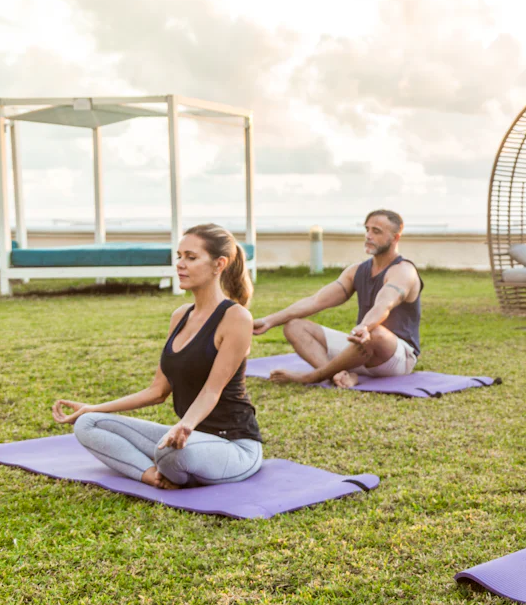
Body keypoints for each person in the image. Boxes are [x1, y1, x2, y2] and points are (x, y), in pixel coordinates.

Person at [51, 224, 262, 490]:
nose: (180, 265)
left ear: (219, 264)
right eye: (179, 256)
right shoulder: (180, 316)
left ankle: (170, 465)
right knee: (87, 424)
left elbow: (212, 391)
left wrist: (185, 425)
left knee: (170, 452)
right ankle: (152, 475)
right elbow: (157, 391)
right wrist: (92, 407)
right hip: (189, 437)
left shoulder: (236, 317)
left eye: (191, 257)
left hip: (233, 445)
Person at [253, 209, 423, 388]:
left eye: (377, 231)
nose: (368, 236)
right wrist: (269, 321)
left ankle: (314, 376)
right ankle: (339, 375)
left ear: (396, 237)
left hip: (395, 357)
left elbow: (384, 303)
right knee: (294, 326)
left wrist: (365, 327)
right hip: (361, 349)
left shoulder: (404, 271)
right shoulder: (357, 271)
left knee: (376, 332)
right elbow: (316, 301)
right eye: (367, 230)